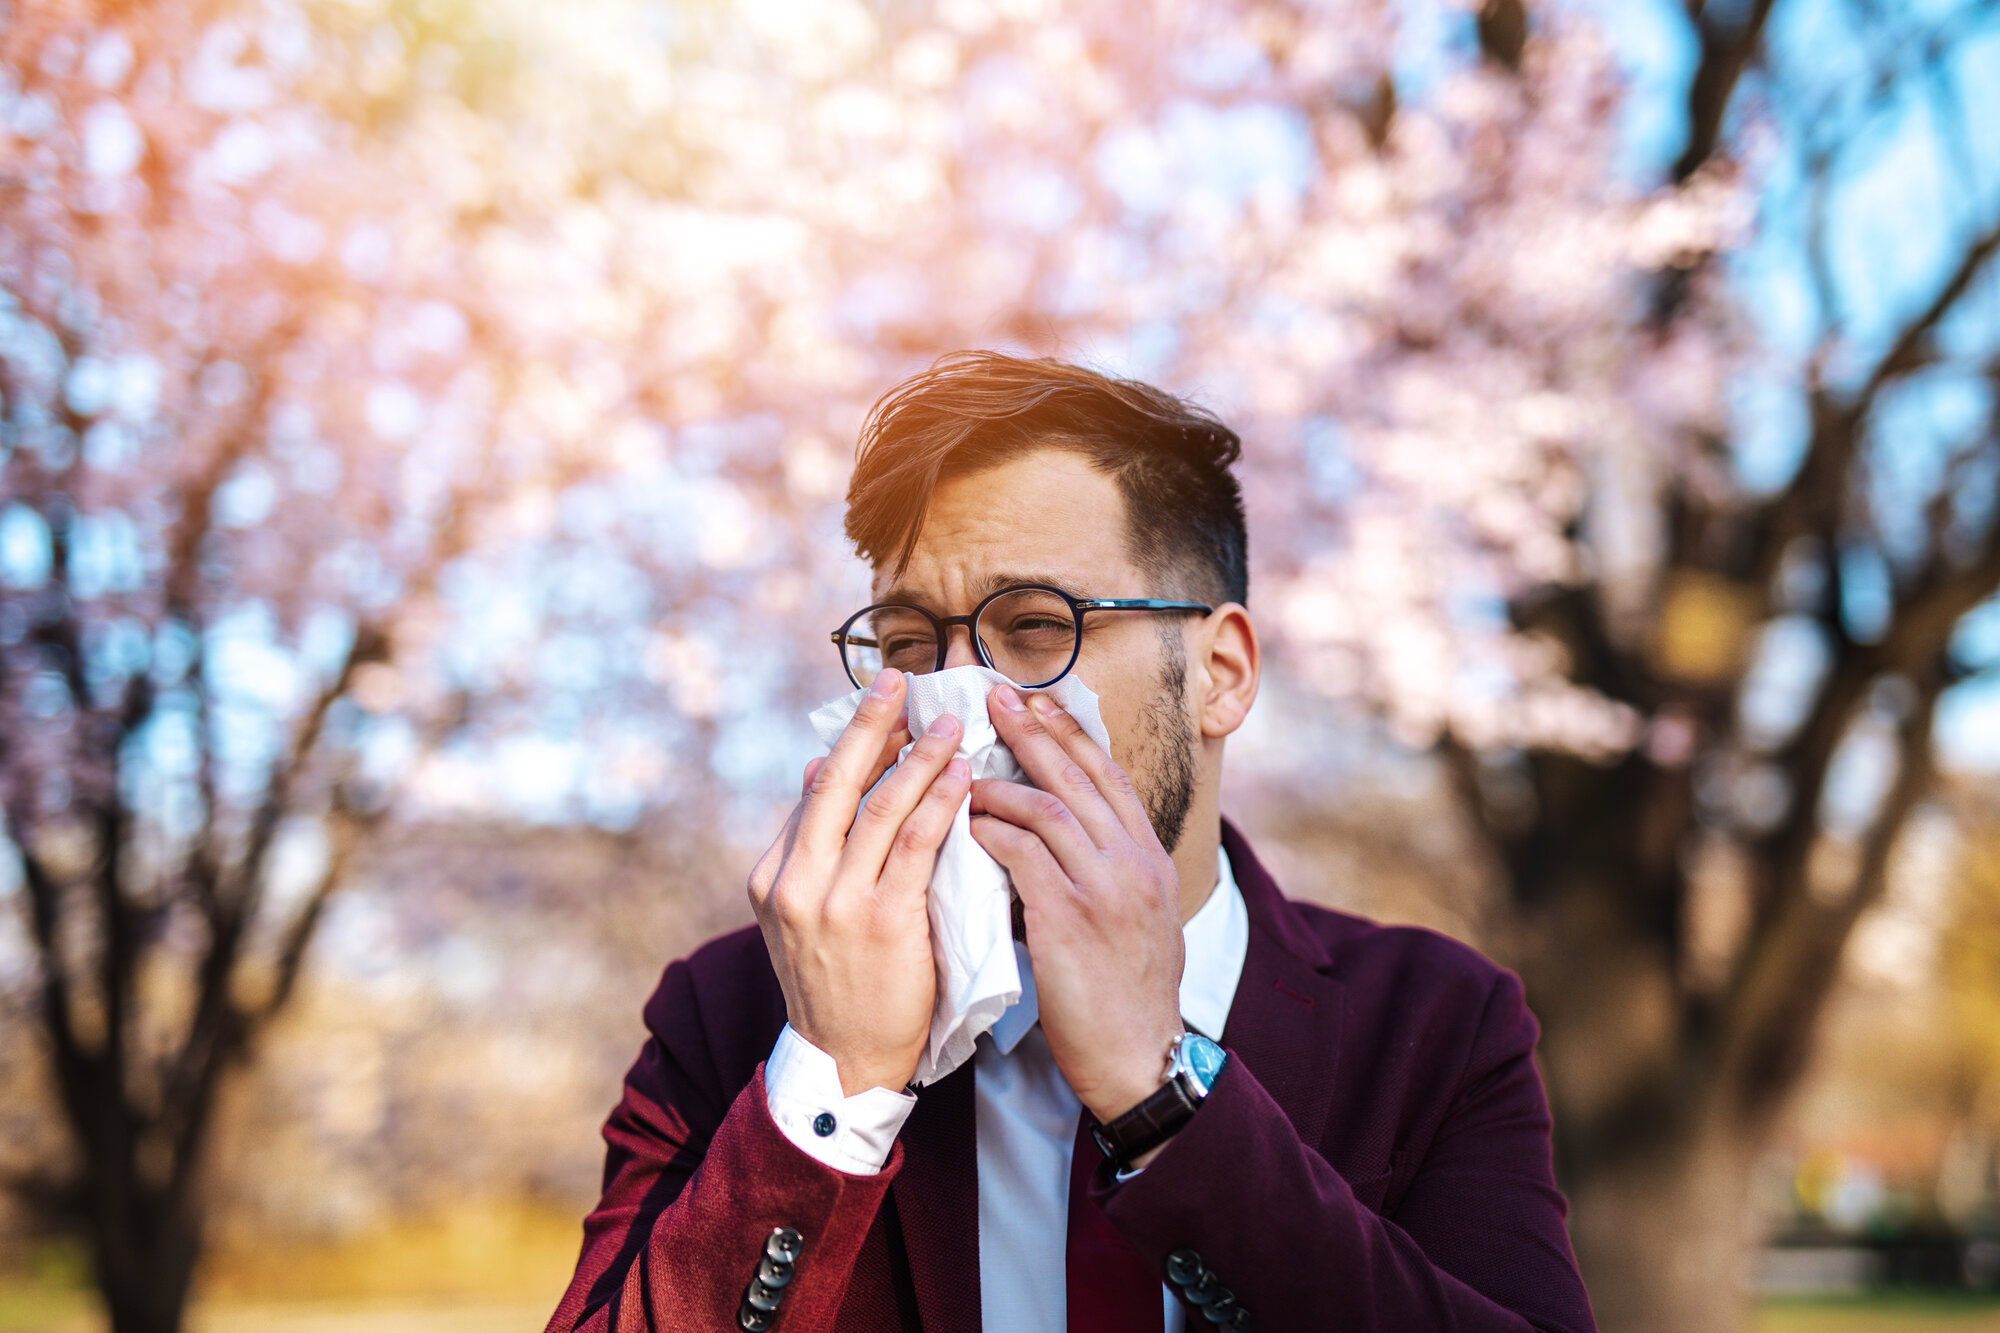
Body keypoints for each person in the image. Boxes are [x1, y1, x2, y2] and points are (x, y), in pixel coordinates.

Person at [545, 352, 1596, 1333]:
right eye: (910, 643)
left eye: (1038, 626)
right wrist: (834, 1083)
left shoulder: (1432, 1023)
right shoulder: (738, 1015)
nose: (960, 707)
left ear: (1219, 673)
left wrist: (1162, 1097)